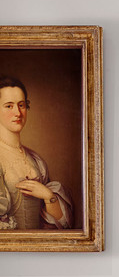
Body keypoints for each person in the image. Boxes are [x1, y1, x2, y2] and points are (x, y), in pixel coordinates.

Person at [0, 75, 73, 230]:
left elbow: (61, 224)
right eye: (9, 106)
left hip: (36, 249)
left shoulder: (36, 160)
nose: (18, 113)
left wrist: (48, 196)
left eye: (21, 105)